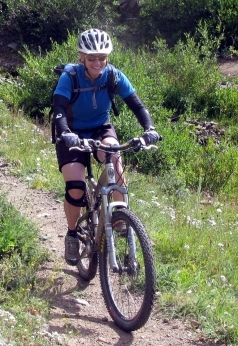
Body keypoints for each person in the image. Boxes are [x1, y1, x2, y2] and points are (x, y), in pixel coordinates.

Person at [52, 28, 160, 265]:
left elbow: (137, 105)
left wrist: (149, 129)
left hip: (101, 127)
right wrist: (66, 134)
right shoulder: (69, 77)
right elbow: (58, 110)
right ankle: (72, 233)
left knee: (114, 156)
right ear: (82, 57)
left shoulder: (113, 75)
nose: (97, 62)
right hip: (71, 132)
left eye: (102, 57)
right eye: (91, 58)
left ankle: (120, 218)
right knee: (75, 187)